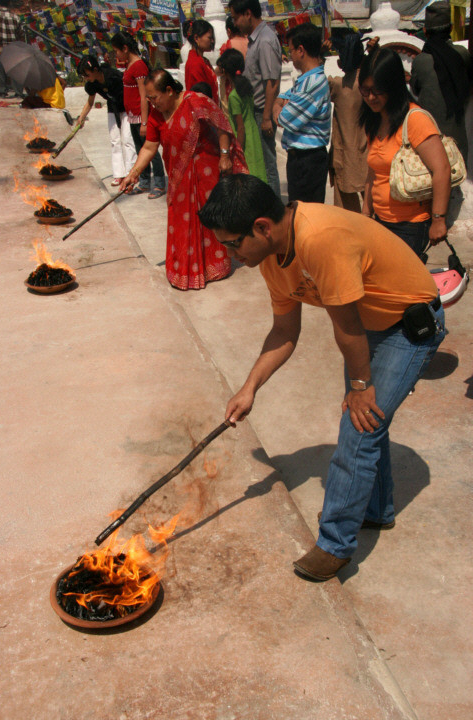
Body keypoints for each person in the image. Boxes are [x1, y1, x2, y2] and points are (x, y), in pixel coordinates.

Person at [198, 173, 446, 580]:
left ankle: (335, 543)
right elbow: (284, 332)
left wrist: (361, 387)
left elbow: (346, 328)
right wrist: (249, 388)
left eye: (232, 243)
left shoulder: (320, 239)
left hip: (408, 325)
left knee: (359, 427)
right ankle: (375, 511)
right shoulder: (272, 259)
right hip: (369, 324)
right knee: (367, 425)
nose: (230, 254)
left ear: (262, 226)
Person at [119, 69, 248, 291]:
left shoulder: (196, 102)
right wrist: (134, 173)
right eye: (148, 99)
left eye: (154, 97)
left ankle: (215, 266)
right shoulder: (156, 115)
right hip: (180, 177)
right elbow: (150, 146)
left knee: (211, 218)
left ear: (169, 91)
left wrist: (225, 155)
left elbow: (222, 126)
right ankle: (186, 269)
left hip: (207, 171)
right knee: (182, 219)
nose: (152, 103)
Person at [359, 47, 451, 258]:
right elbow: (373, 172)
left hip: (411, 227)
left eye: (377, 91)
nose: (371, 97)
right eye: (365, 90)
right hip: (381, 222)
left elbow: (442, 169)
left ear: (393, 86)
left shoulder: (415, 119)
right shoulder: (374, 120)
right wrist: (366, 212)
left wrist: (438, 219)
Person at [409, 0, 471, 228]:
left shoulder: (423, 61)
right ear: (450, 29)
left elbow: (415, 90)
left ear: (425, 31)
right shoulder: (462, 55)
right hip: (458, 140)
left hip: (429, 138)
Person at [228, 0, 282, 197]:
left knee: (268, 165)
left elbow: (272, 82)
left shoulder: (265, 40)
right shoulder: (255, 40)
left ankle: (275, 212)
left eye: (236, 17)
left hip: (262, 112)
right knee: (260, 162)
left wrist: (267, 117)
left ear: (248, 13)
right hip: (256, 112)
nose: (235, 23)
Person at [273, 23, 331, 204]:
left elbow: (284, 119)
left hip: (308, 161)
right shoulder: (305, 81)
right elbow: (283, 97)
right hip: (302, 160)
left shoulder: (313, 83)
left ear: (301, 50)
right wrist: (279, 102)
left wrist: (278, 107)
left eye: (290, 51)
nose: (290, 56)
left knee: (306, 216)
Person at [111, 32, 166, 199]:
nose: (116, 55)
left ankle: (159, 182)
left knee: (150, 150)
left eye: (117, 51)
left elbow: (144, 96)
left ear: (125, 48)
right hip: (132, 116)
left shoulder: (139, 66)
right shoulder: (130, 66)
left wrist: (144, 122)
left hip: (141, 117)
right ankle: (143, 181)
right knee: (139, 149)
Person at [77, 56, 136, 187]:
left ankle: (130, 173)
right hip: (112, 108)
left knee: (127, 139)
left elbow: (130, 90)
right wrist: (81, 117)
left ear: (95, 69)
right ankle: (118, 174)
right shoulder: (92, 84)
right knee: (115, 141)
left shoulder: (114, 76)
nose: (86, 78)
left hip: (126, 107)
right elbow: (90, 102)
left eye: (87, 74)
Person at [327, 33, 368, 213]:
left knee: (346, 211)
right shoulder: (370, 83)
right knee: (373, 202)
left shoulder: (338, 85)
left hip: (344, 156)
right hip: (368, 153)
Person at [216, 48, 267, 182]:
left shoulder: (233, 96)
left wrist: (238, 150)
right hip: (253, 134)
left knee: (248, 173)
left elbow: (240, 127)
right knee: (257, 169)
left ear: (225, 71)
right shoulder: (246, 89)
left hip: (245, 139)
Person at [183, 19, 219, 105]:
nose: (212, 41)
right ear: (196, 38)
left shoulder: (203, 60)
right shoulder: (195, 63)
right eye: (209, 38)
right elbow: (202, 95)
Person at [0, 0, 23, 98]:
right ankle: (18, 93)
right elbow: (20, 34)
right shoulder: (15, 17)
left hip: (0, 48)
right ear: (9, 3)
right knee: (15, 72)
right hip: (13, 49)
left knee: (0, 72)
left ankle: (2, 92)